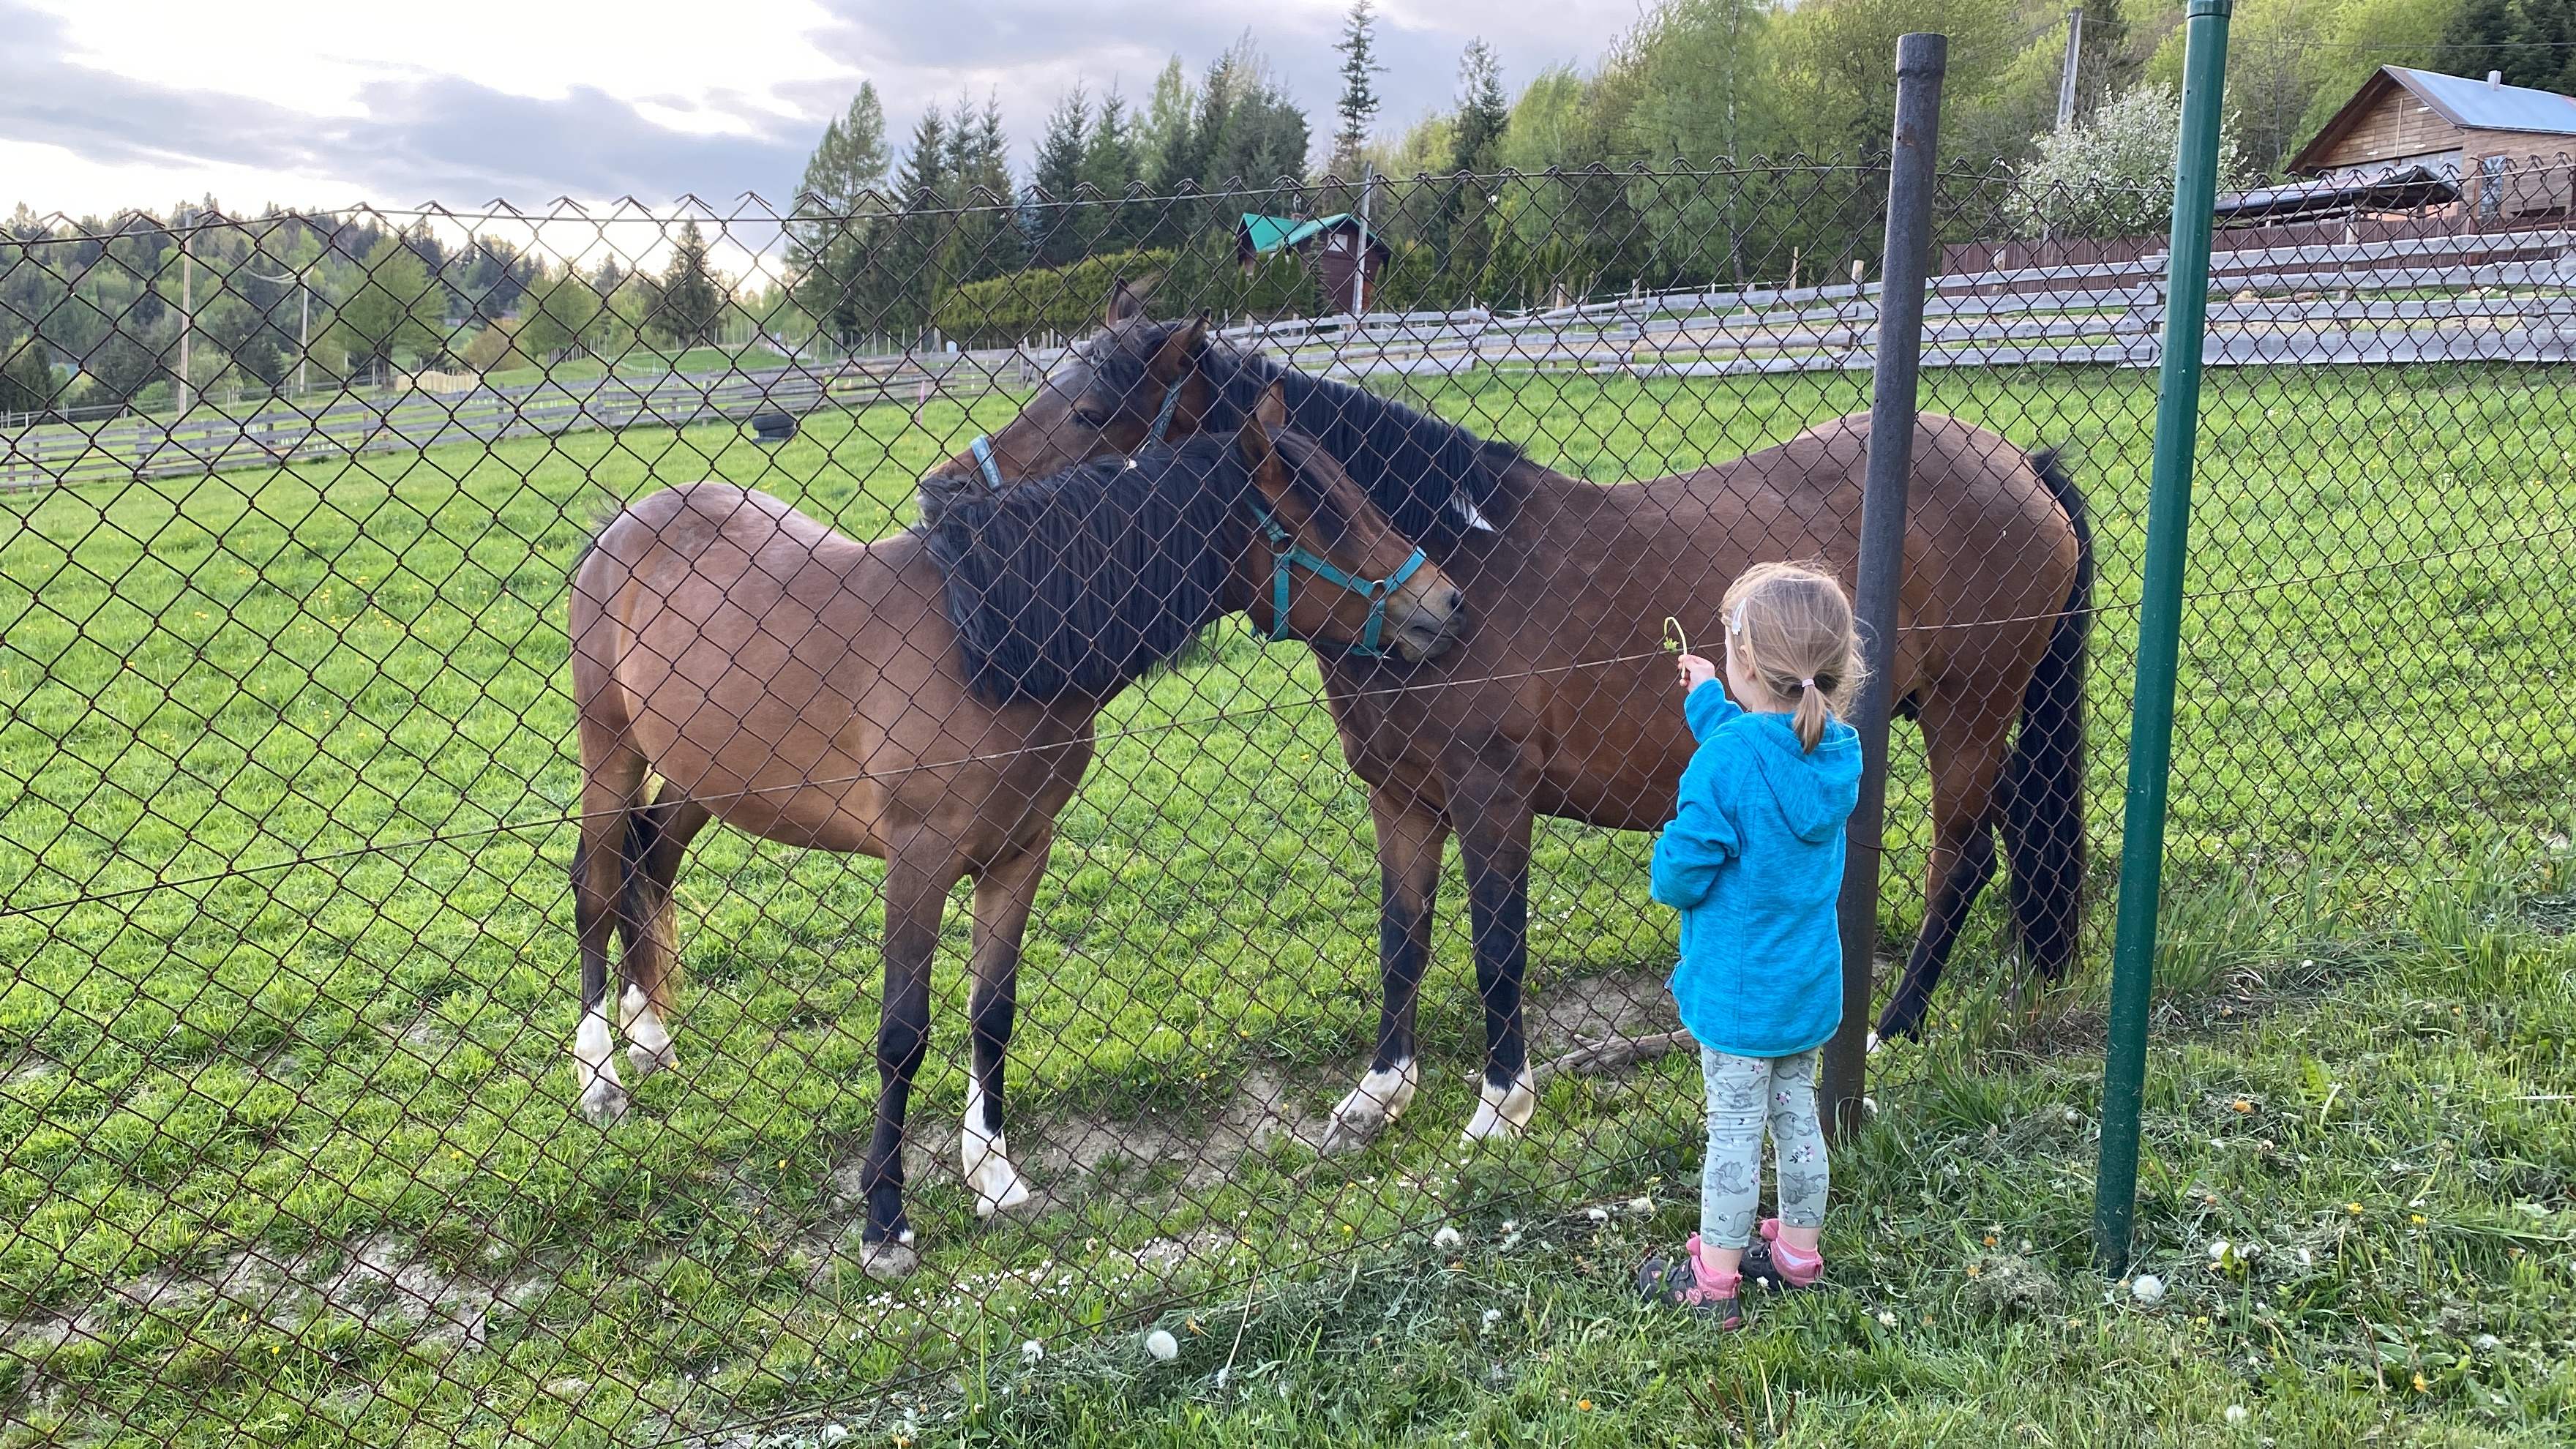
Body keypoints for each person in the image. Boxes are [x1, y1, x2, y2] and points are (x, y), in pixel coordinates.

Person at [1637, 561, 1864, 1328]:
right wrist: (1708, 698)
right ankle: (1798, 1256)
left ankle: (1715, 1281)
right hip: (1804, 985)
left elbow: (1684, 873)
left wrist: (1664, 854)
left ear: (1744, 665)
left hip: (1737, 992)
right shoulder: (1835, 748)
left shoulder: (1723, 766)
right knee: (1796, 1113)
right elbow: (1764, 746)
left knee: (1732, 1131)